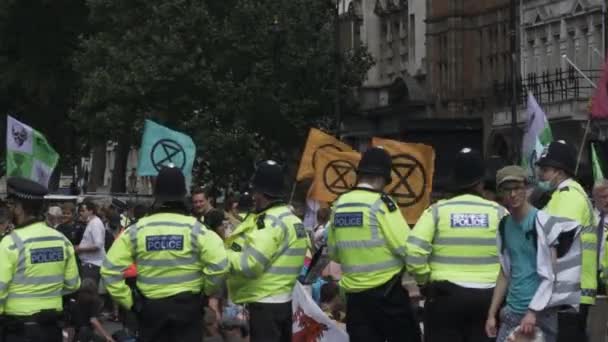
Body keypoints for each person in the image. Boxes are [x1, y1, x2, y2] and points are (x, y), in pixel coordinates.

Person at [101, 165, 229, 342]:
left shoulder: (137, 229)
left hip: (151, 311)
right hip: (188, 309)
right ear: (183, 194)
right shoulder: (197, 229)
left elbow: (109, 270)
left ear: (156, 194)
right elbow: (219, 265)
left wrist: (130, 302)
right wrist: (206, 292)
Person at [407, 147, 505, 342]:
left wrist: (424, 280)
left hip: (445, 298)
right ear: (480, 183)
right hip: (488, 300)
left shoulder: (437, 211)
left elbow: (413, 251)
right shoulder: (499, 212)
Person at [327, 147, 420, 342]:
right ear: (382, 178)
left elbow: (334, 253)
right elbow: (407, 248)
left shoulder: (339, 204)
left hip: (355, 299)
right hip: (388, 295)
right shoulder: (382, 204)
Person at [485, 166, 582, 342]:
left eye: (518, 188)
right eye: (507, 189)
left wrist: (533, 312)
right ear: (501, 193)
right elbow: (505, 273)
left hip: (540, 314)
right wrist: (492, 313)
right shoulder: (504, 225)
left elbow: (551, 274)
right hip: (512, 311)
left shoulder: (543, 222)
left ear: (526, 188)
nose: (513, 194)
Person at [225, 160, 309, 342]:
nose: (253, 196)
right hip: (284, 301)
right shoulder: (292, 220)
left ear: (261, 193)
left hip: (265, 305)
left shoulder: (270, 222)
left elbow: (250, 265)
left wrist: (222, 256)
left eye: (255, 191)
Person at [0, 177, 81, 342]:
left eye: (10, 205)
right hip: (51, 329)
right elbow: (73, 284)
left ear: (18, 208)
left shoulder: (11, 243)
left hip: (19, 330)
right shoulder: (62, 240)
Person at [535, 140, 598, 341]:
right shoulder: (561, 196)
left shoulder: (568, 196)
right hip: (569, 290)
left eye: (545, 170)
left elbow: (560, 242)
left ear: (559, 172)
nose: (541, 176)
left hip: (569, 290)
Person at [76, 200, 106, 284]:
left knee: (88, 292)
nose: (81, 213)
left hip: (92, 265)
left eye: (83, 211)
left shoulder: (95, 223)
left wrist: (80, 248)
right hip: (90, 264)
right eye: (80, 211)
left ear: (91, 211)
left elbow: (98, 245)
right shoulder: (92, 223)